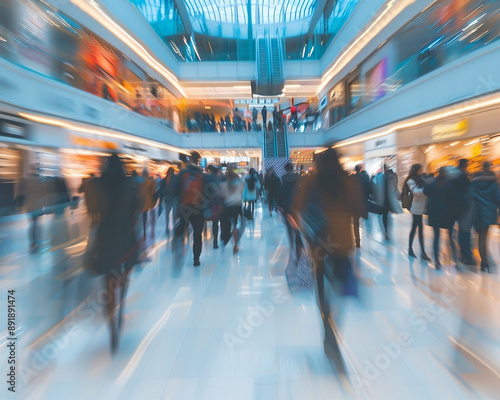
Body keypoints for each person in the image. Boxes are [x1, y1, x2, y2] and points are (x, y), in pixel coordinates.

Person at [294, 148, 364, 376]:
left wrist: (306, 233)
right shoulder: (348, 181)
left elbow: (296, 209)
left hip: (320, 245)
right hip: (343, 245)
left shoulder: (311, 181)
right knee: (340, 292)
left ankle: (328, 333)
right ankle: (332, 334)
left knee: (322, 292)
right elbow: (360, 209)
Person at [91, 154, 140, 352]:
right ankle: (121, 312)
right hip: (127, 239)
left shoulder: (98, 185)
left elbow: (93, 213)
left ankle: (112, 330)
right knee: (124, 278)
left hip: (106, 241)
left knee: (108, 289)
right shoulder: (129, 185)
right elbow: (136, 211)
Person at [170, 151, 213, 266]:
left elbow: (174, 190)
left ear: (189, 159)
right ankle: (196, 259)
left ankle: (178, 249)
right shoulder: (202, 175)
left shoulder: (182, 173)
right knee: (197, 234)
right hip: (198, 209)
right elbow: (211, 191)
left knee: (181, 228)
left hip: (184, 207)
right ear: (198, 160)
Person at [424, 167, 458, 270]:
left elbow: (425, 192)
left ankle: (437, 261)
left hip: (435, 214)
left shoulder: (432, 184)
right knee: (450, 238)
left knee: (436, 237)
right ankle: (455, 261)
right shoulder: (451, 185)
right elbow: (454, 200)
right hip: (447, 214)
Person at [470, 162, 500, 272]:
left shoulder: (473, 183)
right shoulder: (493, 184)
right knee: (484, 237)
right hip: (488, 213)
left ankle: (484, 261)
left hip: (476, 213)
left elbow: (470, 197)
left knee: (480, 238)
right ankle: (484, 261)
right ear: (489, 168)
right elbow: (498, 198)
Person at [403, 164, 431, 261]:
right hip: (415, 208)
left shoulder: (420, 180)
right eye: (420, 170)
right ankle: (415, 250)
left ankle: (420, 251)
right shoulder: (411, 180)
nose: (421, 171)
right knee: (415, 229)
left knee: (417, 228)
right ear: (416, 170)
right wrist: (426, 190)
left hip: (420, 207)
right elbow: (415, 192)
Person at [453, 159, 475, 265]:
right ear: (464, 165)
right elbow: (466, 192)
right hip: (465, 207)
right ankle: (467, 256)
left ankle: (462, 255)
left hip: (458, 207)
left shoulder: (455, 176)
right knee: (465, 232)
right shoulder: (463, 176)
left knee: (462, 231)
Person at [371, 165, 402, 240]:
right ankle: (387, 231)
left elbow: (376, 188)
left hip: (383, 201)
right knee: (388, 216)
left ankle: (386, 231)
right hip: (388, 201)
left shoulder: (381, 178)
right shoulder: (390, 178)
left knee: (384, 217)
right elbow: (394, 188)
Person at [220, 166, 245, 254]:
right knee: (235, 225)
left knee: (226, 225)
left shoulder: (224, 185)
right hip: (237, 206)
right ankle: (235, 244)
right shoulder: (241, 183)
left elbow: (222, 196)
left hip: (227, 207)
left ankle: (225, 239)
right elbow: (242, 193)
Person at [277, 162, 299, 247]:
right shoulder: (298, 178)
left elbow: (280, 192)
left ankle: (291, 244)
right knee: (297, 225)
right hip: (297, 205)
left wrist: (280, 205)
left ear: (285, 169)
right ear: (292, 168)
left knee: (289, 226)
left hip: (286, 205)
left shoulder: (283, 179)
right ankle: (298, 240)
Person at [353, 164, 371, 248]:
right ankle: (369, 239)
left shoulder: (353, 178)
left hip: (355, 203)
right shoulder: (364, 177)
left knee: (356, 222)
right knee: (365, 220)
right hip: (362, 201)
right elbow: (368, 188)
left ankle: (357, 240)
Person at [139, 169, 157, 240]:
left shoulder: (140, 182)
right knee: (152, 215)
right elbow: (154, 189)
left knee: (144, 217)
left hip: (143, 202)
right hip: (151, 201)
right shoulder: (151, 181)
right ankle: (152, 230)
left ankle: (144, 233)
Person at [159, 168, 176, 235]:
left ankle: (167, 228)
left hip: (167, 199)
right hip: (174, 198)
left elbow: (161, 190)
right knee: (174, 214)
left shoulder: (164, 180)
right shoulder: (175, 179)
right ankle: (174, 228)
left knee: (167, 214)